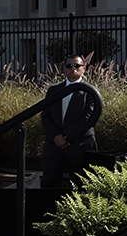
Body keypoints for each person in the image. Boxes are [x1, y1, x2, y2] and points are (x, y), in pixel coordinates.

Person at [40, 54, 102, 189]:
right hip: (54, 147)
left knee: (81, 187)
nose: (73, 68)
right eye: (69, 66)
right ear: (64, 69)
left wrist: (66, 136)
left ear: (84, 68)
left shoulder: (91, 92)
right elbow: (45, 115)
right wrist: (56, 136)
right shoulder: (54, 90)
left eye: (77, 66)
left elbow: (89, 119)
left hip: (80, 146)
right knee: (48, 185)